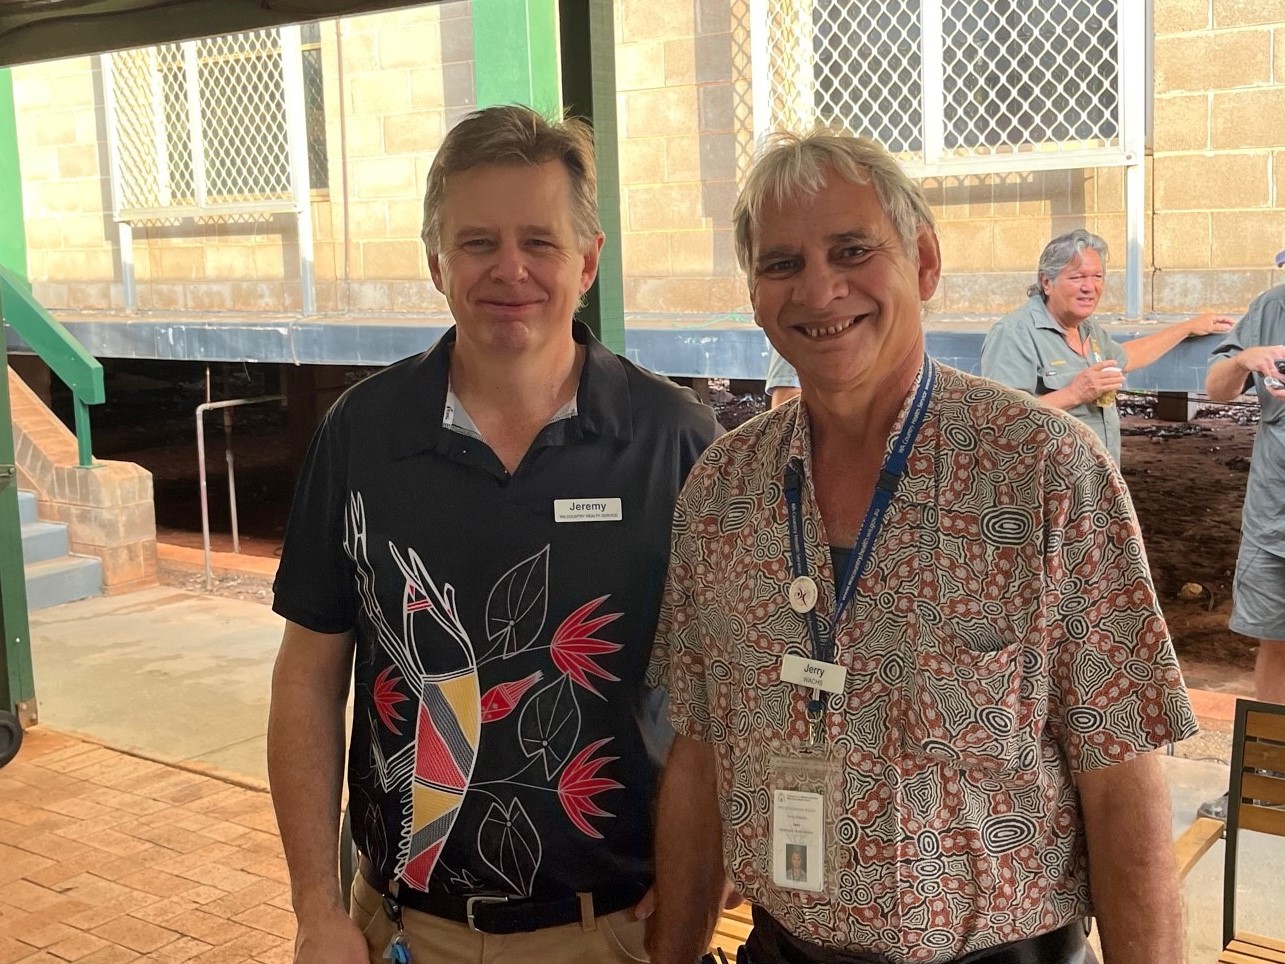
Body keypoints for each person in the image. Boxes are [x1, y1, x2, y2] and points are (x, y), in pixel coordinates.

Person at [646, 131, 1199, 964]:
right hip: (783, 948)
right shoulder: (723, 490)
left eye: (853, 249)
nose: (819, 288)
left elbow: (1121, 781)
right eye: (782, 262)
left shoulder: (1044, 470)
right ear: (756, 292)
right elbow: (697, 752)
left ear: (925, 263)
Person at [268, 104, 720, 964]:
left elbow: (734, 687)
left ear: (587, 260)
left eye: (538, 242)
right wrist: (315, 910)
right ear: (436, 262)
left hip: (618, 932)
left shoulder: (678, 442)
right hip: (403, 929)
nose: (508, 269)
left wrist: (705, 883)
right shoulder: (360, 434)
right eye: (477, 243)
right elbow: (307, 678)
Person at [980, 230, 1233, 463]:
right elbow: (1002, 422)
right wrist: (1075, 394)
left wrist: (1187, 327)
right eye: (1077, 277)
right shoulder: (1015, 334)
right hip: (1046, 492)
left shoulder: (1087, 329)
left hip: (1096, 484)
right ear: (1047, 282)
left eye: (1097, 276)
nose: (1089, 287)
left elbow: (1128, 357)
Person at [1196, 255, 1285, 821]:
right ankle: (1261, 779)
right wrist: (1247, 358)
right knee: (1275, 643)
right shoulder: (1271, 307)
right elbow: (1217, 387)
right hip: (1275, 516)